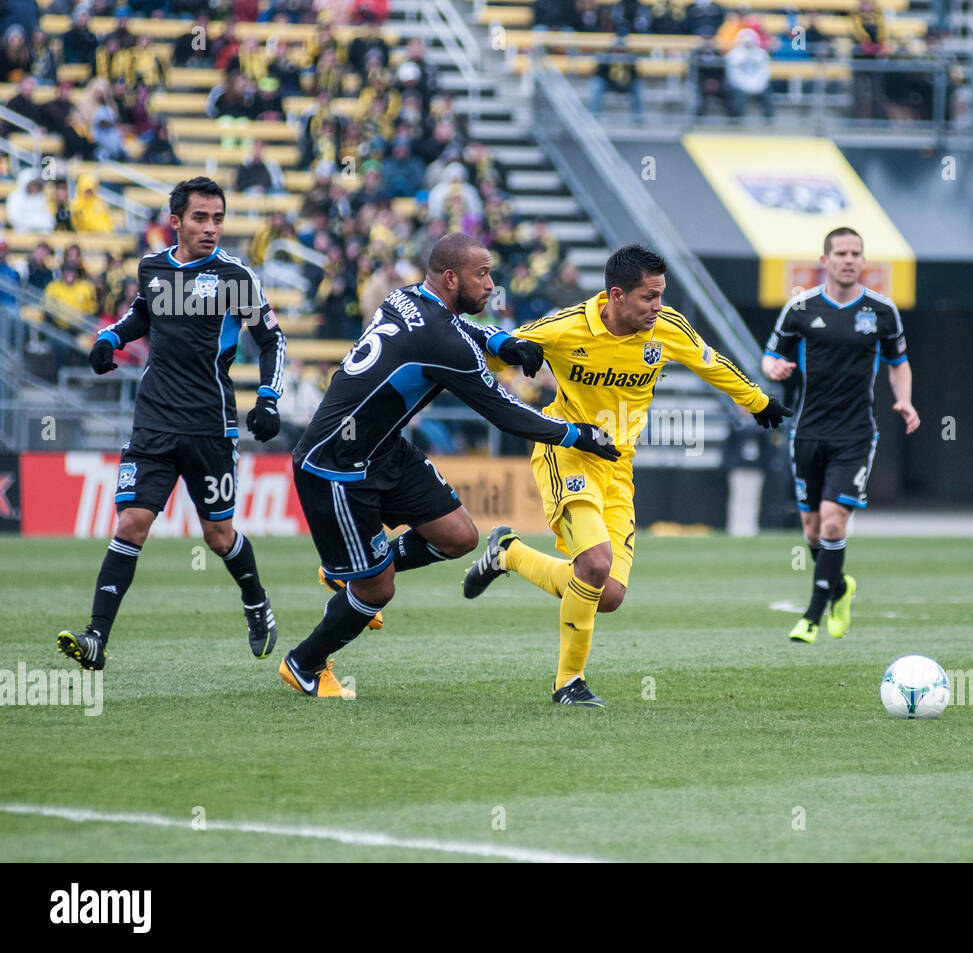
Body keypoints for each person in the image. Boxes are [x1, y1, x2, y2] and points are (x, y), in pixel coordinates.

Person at [286, 233, 620, 699]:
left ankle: (352, 571)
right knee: (378, 590)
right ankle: (305, 662)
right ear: (450, 277)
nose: (491, 284)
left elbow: (461, 330)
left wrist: (504, 341)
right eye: (481, 274)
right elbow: (503, 411)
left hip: (383, 448)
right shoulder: (443, 342)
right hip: (336, 465)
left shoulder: (404, 297)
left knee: (459, 536)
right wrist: (576, 433)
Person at [461, 244, 792, 707]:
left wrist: (759, 403)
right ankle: (568, 683)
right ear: (616, 295)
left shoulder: (666, 328)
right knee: (594, 565)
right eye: (648, 297)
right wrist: (507, 362)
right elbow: (487, 360)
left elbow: (710, 362)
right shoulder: (563, 327)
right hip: (567, 452)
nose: (657, 307)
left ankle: (509, 554)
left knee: (608, 593)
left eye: (660, 296)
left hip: (618, 465)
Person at [57, 177, 288, 672]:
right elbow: (142, 314)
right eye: (201, 218)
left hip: (210, 426)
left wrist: (267, 399)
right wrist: (109, 338)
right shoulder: (153, 268)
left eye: (219, 218)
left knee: (219, 538)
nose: (211, 228)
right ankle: (96, 637)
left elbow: (272, 340)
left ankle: (255, 600)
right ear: (177, 221)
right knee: (131, 523)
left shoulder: (236, 277)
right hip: (154, 422)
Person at [762, 227, 920, 643]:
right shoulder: (800, 307)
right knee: (812, 530)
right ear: (825, 260)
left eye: (855, 253)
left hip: (855, 436)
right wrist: (772, 369)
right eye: (841, 253)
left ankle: (812, 614)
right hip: (808, 432)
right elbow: (770, 355)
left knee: (834, 525)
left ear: (862, 261)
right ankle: (841, 586)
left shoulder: (882, 311)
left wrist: (905, 400)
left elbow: (898, 361)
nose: (849, 259)